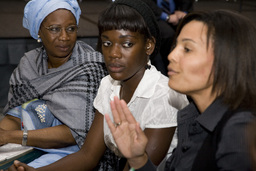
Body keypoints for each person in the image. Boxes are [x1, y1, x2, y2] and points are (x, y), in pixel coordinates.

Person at [7, 0, 188, 170]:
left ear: (148, 45)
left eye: (127, 44)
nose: (114, 53)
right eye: (107, 43)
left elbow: (140, 166)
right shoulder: (109, 85)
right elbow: (88, 156)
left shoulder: (163, 96)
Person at [104, 9, 256, 170]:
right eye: (176, 45)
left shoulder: (239, 130)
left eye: (187, 49)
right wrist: (138, 158)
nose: (172, 55)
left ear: (225, 61)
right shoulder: (192, 116)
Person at [0, 0, 108, 168]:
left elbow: (74, 133)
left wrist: (10, 136)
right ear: (38, 32)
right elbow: (15, 115)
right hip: (31, 147)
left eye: (71, 29)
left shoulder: (89, 67)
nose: (64, 37)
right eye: (54, 29)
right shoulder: (29, 63)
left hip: (74, 155)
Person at [141, 0, 194, 76]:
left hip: (175, 12)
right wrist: (167, 17)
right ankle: (167, 70)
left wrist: (184, 12)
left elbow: (186, 3)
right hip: (154, 16)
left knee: (191, 30)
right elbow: (147, 5)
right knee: (168, 34)